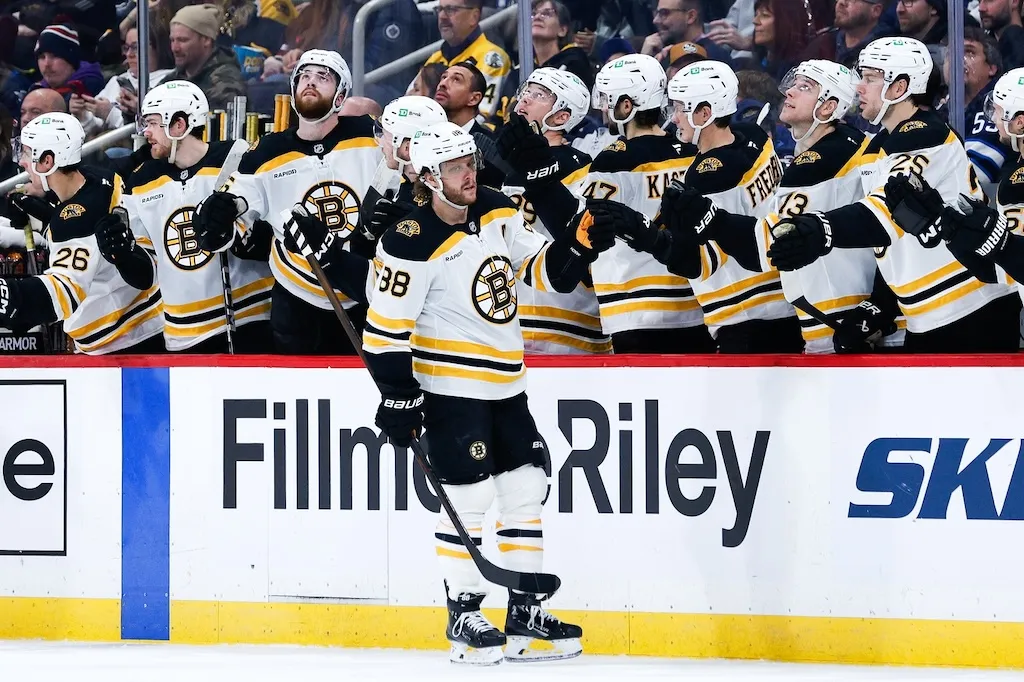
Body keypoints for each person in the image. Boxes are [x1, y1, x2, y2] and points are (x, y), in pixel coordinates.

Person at [295, 120, 613, 664]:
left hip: (508, 384)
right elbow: (385, 326)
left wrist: (577, 247)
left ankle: (525, 612)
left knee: (526, 486)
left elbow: (542, 272)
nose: (470, 173)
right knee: (469, 498)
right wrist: (396, 394)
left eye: (471, 162)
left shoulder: (494, 207)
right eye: (456, 167)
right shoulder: (408, 239)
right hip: (449, 388)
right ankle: (464, 613)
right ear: (427, 177)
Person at [766, 37, 1021, 352]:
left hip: (972, 309)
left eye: (870, 78)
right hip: (923, 317)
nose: (859, 87)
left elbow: (883, 214)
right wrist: (878, 304)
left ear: (899, 88)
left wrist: (821, 229)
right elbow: (890, 240)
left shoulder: (926, 135)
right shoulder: (877, 147)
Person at [194, 49, 382, 355]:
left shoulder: (368, 136)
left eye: (323, 77)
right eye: (303, 76)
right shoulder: (267, 151)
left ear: (341, 94)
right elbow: (238, 203)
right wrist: (220, 213)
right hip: (297, 298)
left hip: (361, 288)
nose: (310, 82)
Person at [617, 60, 799, 353]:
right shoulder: (754, 138)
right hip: (786, 301)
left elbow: (699, 262)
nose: (675, 118)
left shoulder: (704, 176)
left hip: (743, 314)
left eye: (681, 109)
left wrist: (647, 236)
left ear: (705, 113)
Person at [98, 81, 274, 353]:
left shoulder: (237, 159)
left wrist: (235, 229)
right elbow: (146, 271)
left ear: (179, 125)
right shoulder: (140, 181)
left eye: (153, 123)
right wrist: (123, 255)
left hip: (248, 324)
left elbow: (268, 241)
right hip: (181, 335)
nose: (146, 132)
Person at [577, 53, 714, 353]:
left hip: (634, 310)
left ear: (627, 106)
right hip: (695, 302)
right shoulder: (689, 152)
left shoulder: (612, 160)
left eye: (608, 100)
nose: (603, 108)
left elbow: (587, 229)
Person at [0, 113, 164, 354]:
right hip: (147, 323)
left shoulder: (76, 219)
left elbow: (63, 293)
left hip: (119, 342)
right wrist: (48, 217)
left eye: (26, 152)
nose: (22, 162)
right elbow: (90, 241)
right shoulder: (98, 178)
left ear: (47, 160)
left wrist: (7, 296)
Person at [881, 68, 1024, 299]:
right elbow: (998, 273)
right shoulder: (1014, 169)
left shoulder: (1017, 181)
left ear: (1019, 122)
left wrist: (1002, 243)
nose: (993, 119)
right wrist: (949, 227)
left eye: (997, 111)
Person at [498, 68, 611, 354]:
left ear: (561, 116)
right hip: (512, 323)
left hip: (573, 321)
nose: (524, 99)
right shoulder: (506, 171)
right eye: (526, 91)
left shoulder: (585, 168)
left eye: (539, 96)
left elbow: (583, 233)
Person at [419, 0, 511, 122]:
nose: (442, 16)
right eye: (439, 9)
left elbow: (482, 118)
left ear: (474, 16)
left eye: (450, 9)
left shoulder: (493, 59)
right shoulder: (435, 58)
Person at [72, 25, 173, 136]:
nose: (129, 54)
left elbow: (153, 131)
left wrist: (110, 114)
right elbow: (90, 127)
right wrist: (82, 114)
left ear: (157, 48)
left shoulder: (168, 83)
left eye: (136, 47)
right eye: (126, 47)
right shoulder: (117, 80)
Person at [165, 3, 247, 111]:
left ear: (206, 40)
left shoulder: (225, 81)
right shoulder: (175, 77)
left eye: (183, 40)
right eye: (172, 40)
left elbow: (216, 121)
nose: (175, 48)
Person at [29, 24, 105, 102]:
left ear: (71, 60)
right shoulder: (36, 90)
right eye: (42, 57)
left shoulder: (90, 88)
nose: (47, 64)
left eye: (55, 56)